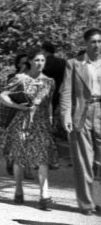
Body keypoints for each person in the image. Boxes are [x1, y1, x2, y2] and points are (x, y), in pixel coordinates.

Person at [0, 47, 58, 211]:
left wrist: (51, 119)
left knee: (42, 156)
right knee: (19, 157)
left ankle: (44, 194)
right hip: (23, 121)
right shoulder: (20, 78)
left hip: (42, 123)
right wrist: (17, 105)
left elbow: (50, 102)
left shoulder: (50, 81)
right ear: (30, 61)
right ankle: (18, 188)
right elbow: (2, 96)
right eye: (37, 60)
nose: (39, 63)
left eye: (42, 60)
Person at [61, 27, 101, 216]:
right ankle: (87, 204)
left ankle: (99, 199)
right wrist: (66, 115)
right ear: (86, 43)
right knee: (84, 160)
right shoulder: (74, 64)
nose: (97, 45)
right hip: (82, 113)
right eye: (93, 41)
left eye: (100, 41)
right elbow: (67, 92)